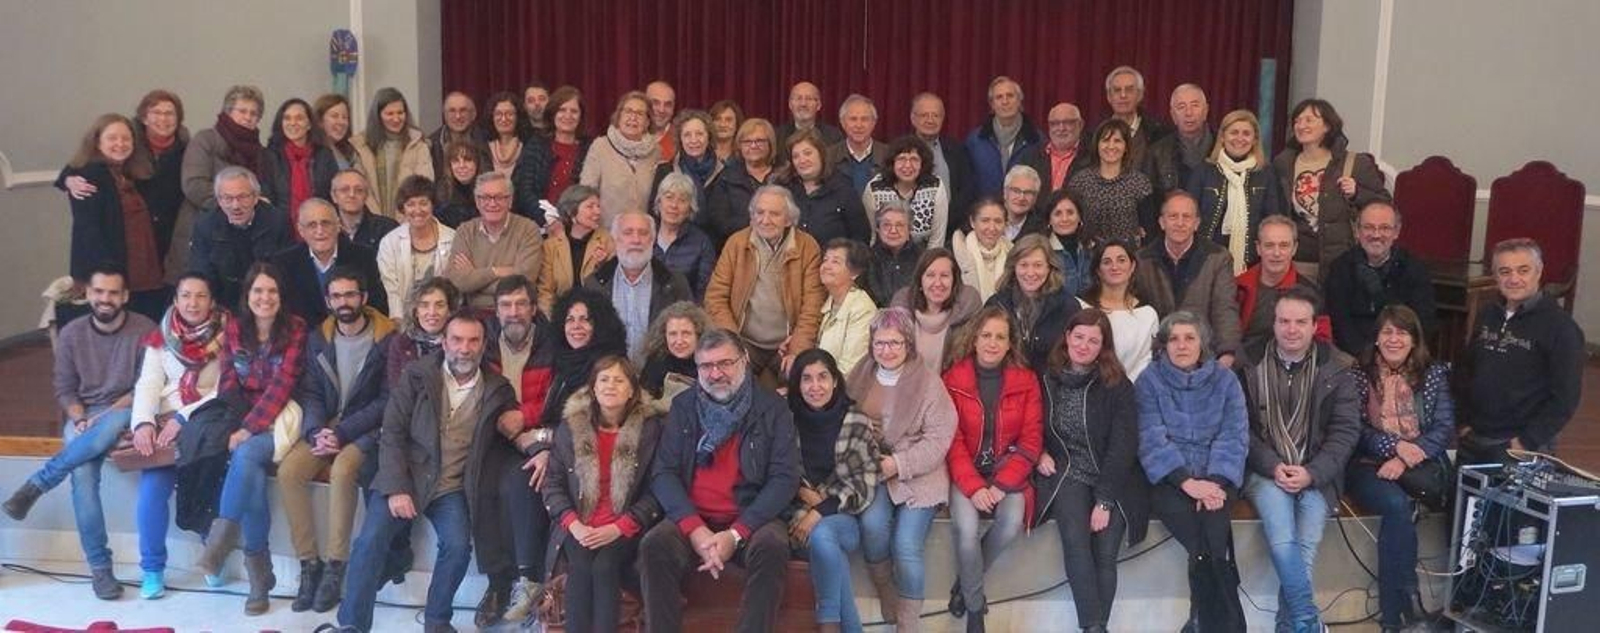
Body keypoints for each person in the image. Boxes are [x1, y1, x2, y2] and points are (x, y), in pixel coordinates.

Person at [337, 313, 518, 633]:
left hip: (451, 488)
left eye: (473, 341)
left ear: (483, 345)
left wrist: (524, 427)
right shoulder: (417, 375)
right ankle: (352, 625)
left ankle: (437, 621)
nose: (465, 349)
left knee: (459, 546)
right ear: (444, 342)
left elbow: (512, 425)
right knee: (369, 541)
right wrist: (396, 488)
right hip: (405, 477)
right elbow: (391, 432)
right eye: (457, 340)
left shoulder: (498, 388)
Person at [2, 266, 157, 600]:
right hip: (85, 417)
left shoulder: (145, 329)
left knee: (114, 422)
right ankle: (101, 570)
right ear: (87, 295)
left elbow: (147, 387)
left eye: (113, 292)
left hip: (126, 412)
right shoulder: (72, 333)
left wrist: (102, 416)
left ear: (125, 297)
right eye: (99, 292)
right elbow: (65, 389)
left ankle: (38, 484)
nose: (105, 299)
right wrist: (79, 416)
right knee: (83, 475)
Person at [638, 328, 802, 633]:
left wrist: (736, 534)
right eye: (706, 366)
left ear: (744, 361)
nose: (715, 374)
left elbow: (785, 477)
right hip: (694, 516)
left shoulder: (772, 408)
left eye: (725, 363)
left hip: (750, 516)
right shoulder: (684, 406)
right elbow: (664, 473)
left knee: (773, 546)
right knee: (654, 545)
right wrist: (695, 529)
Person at [1238, 287, 1360, 633]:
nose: (1291, 329)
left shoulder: (1339, 368)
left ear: (1314, 326)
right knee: (1283, 540)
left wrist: (1311, 473)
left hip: (1318, 473)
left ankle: (1288, 627)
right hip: (1265, 471)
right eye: (1284, 321)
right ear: (1273, 323)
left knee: (1303, 548)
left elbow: (1345, 433)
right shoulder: (1249, 362)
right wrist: (1273, 466)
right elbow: (1240, 429)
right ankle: (1307, 622)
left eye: (1300, 322)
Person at [276, 268, 393, 613]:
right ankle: (308, 564)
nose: (344, 302)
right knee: (289, 472)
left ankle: (335, 565)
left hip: (366, 430)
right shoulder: (319, 339)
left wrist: (342, 434)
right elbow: (311, 391)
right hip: (325, 426)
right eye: (337, 296)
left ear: (364, 298)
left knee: (343, 471)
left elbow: (386, 400)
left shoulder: (387, 339)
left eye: (351, 295)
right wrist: (315, 431)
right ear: (328, 301)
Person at [194, 263, 308, 616]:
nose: (265, 298)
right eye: (258, 291)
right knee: (252, 475)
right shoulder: (233, 329)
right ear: (248, 295)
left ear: (281, 296)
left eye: (272, 291)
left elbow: (281, 386)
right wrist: (238, 424)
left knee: (244, 454)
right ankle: (260, 580)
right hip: (245, 419)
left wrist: (248, 429)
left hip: (283, 420)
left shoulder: (297, 329)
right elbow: (229, 382)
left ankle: (221, 541)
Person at [846, 308, 959, 632]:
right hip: (871, 469)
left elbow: (939, 439)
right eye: (880, 343)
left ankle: (909, 622)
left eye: (895, 343)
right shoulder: (861, 374)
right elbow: (843, 417)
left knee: (907, 546)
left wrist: (899, 464)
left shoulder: (928, 382)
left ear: (908, 344)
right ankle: (885, 586)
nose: (887, 350)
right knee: (872, 525)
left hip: (918, 474)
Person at [1344, 305, 1456, 633]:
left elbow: (1443, 426)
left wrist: (1406, 456)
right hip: (1366, 465)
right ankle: (1403, 609)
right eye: (1387, 332)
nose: (1394, 339)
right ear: (1377, 338)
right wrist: (1392, 447)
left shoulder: (1432, 373)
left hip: (1417, 463)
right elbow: (1356, 429)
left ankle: (1402, 613)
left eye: (1402, 332)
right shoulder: (1358, 373)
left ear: (1414, 339)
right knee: (1396, 506)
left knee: (1420, 503)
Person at [1033, 308, 1145, 633]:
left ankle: (1096, 627)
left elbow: (1123, 446)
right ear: (1067, 337)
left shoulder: (1117, 384)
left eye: (1093, 341)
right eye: (1078, 337)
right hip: (1068, 471)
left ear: (1103, 346)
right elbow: (1030, 425)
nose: (1084, 345)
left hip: (1113, 477)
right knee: (1075, 540)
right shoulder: (1046, 378)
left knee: (1105, 551)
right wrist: (1038, 452)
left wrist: (1105, 501)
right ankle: (1093, 628)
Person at [1136, 311, 1248, 632]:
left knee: (1212, 540)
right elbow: (1150, 438)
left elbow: (1234, 435)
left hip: (1218, 479)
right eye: (1173, 339)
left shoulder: (1225, 380)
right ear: (1163, 345)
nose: (1181, 345)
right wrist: (1187, 482)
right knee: (1205, 545)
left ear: (1203, 344)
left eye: (1189, 338)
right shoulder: (1149, 380)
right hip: (1170, 480)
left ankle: (1201, 622)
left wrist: (1213, 483)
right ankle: (1227, 624)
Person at [543, 356, 668, 633]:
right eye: (604, 379)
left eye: (619, 380)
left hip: (625, 525)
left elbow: (659, 488)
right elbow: (552, 485)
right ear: (593, 388)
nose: (611, 386)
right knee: (580, 565)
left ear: (632, 391)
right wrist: (574, 525)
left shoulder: (651, 430)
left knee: (605, 566)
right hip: (579, 525)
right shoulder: (570, 428)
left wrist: (620, 527)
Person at [126, 273, 227, 600]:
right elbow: (149, 383)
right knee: (152, 490)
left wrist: (186, 417)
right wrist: (143, 422)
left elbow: (226, 388)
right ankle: (152, 568)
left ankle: (210, 559)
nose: (193, 303)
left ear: (212, 301)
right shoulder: (162, 336)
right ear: (176, 300)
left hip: (209, 420)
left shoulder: (230, 334)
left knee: (206, 480)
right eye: (186, 296)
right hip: (165, 421)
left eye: (200, 296)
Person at [941, 307, 1043, 633]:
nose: (992, 343)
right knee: (967, 533)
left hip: (1006, 472)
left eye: (1001, 337)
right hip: (966, 472)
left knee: (1011, 523)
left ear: (1011, 344)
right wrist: (974, 487)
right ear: (973, 339)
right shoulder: (953, 379)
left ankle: (964, 583)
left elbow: (1031, 440)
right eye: (986, 335)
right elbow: (952, 442)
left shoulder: (1026, 381)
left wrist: (1000, 484)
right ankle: (975, 610)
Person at [1459, 238, 1586, 463]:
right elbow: (1466, 369)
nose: (1514, 279)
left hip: (1520, 446)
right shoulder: (1487, 314)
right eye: (1505, 271)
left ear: (1539, 272)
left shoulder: (1562, 328)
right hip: (1475, 437)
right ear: (1495, 276)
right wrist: (1464, 423)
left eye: (1523, 270)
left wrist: (1526, 441)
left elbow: (1565, 397)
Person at [784, 348, 880, 633]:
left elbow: (866, 481)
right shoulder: (784, 421)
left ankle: (828, 623)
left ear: (836, 380)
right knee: (826, 547)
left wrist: (821, 510)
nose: (815, 387)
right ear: (797, 385)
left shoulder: (856, 421)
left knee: (824, 532)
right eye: (807, 379)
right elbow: (776, 472)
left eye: (823, 377)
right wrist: (803, 495)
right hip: (796, 516)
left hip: (844, 518)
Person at [703, 185, 825, 388]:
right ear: (751, 216)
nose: (765, 220)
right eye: (759, 213)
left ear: (788, 219)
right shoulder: (736, 244)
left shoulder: (807, 247)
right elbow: (715, 298)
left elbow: (812, 306)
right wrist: (734, 345)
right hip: (745, 341)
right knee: (731, 384)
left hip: (788, 343)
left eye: (774, 214)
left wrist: (797, 348)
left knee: (799, 383)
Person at [59, 91, 191, 274]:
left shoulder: (187, 149)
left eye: (169, 113)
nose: (163, 119)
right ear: (144, 117)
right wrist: (67, 180)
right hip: (118, 257)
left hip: (165, 241)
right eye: (156, 112)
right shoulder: (127, 143)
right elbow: (79, 165)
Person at [60, 113, 167, 321]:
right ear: (97, 141)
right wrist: (108, 275)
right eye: (112, 138)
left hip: (143, 273)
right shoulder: (88, 175)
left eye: (126, 138)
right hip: (111, 272)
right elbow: (89, 232)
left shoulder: (129, 173)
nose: (120, 143)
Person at [1273, 98, 1391, 279]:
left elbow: (1385, 204)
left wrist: (1357, 193)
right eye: (1297, 121)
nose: (1301, 125)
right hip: (1300, 260)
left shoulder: (1355, 163)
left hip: (1341, 261)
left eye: (1309, 120)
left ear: (1327, 126)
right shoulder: (1283, 163)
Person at [1134, 192, 1242, 365]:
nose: (1180, 223)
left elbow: (1224, 308)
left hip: (1203, 354)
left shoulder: (1217, 258)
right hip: (1156, 355)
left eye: (1187, 217)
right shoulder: (1141, 260)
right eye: (1173, 216)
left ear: (1197, 223)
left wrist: (1226, 353)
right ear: (1162, 223)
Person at [1324, 201, 1438, 356]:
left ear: (1396, 232)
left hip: (1401, 354)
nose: (1376, 235)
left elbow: (1423, 323)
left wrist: (1394, 355)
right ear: (1357, 231)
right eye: (1368, 227)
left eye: (1384, 228)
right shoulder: (1340, 268)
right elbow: (1340, 323)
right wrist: (1366, 356)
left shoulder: (1415, 269)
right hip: (1352, 356)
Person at [177, 85, 266, 274]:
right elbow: (194, 185)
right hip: (203, 227)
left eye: (254, 113)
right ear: (228, 112)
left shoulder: (260, 151)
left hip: (247, 233)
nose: (248, 117)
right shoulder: (205, 140)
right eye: (242, 111)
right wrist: (235, 203)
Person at [582, 211, 693, 361]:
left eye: (643, 233)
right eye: (628, 233)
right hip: (609, 379)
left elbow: (689, 335)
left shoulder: (674, 283)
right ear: (615, 239)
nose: (636, 240)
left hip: (659, 378)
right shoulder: (594, 284)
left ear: (653, 240)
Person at [1186, 109, 1284, 273]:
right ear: (1222, 137)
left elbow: (1274, 216)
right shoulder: (1204, 171)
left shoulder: (1265, 173)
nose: (1239, 138)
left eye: (1246, 133)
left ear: (1254, 140)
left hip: (1252, 259)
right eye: (1234, 132)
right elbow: (1189, 213)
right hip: (1206, 256)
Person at [188, 166, 293, 308]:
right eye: (228, 198)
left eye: (242, 197)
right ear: (218, 200)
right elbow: (202, 274)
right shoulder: (205, 226)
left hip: (266, 301)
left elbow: (285, 272)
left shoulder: (277, 221)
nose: (235, 206)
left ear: (256, 197)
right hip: (224, 302)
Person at [270, 198, 386, 326]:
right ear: (301, 231)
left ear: (338, 225)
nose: (320, 231)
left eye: (326, 223)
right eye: (312, 225)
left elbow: (376, 305)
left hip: (354, 335)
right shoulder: (283, 263)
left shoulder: (363, 256)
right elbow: (283, 312)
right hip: (303, 339)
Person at [444, 172, 544, 311]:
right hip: (473, 313)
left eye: (499, 197)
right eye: (485, 197)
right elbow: (456, 281)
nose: (492, 203)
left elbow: (523, 281)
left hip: (513, 313)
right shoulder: (465, 231)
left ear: (510, 201)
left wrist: (474, 279)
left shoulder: (528, 230)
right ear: (477, 202)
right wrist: (496, 272)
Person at [1235, 215, 1330, 351]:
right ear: (1258, 248)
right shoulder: (1236, 286)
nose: (1277, 253)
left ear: (1295, 248)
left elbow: (1323, 343)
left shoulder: (1311, 293)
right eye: (1269, 245)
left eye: (1284, 245)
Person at [986, 234, 1081, 368]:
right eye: (1024, 265)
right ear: (1014, 267)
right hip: (1007, 385)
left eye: (1038, 265)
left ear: (1049, 267)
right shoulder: (996, 304)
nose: (1030, 273)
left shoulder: (1068, 306)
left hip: (1051, 385)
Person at [890, 248, 983, 375]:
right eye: (930, 275)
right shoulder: (903, 312)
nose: (938, 283)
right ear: (920, 281)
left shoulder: (966, 314)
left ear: (954, 281)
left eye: (944, 276)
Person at [1078, 240, 1161, 380]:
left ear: (1132, 266)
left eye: (1121, 260)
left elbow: (1149, 360)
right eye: (1107, 262)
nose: (1114, 267)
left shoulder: (1147, 313)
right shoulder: (1081, 306)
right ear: (1098, 270)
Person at [376, 175, 456, 319]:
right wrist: (399, 323)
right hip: (405, 318)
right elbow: (391, 290)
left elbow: (455, 287)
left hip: (445, 317)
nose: (417, 210)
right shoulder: (389, 242)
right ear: (403, 208)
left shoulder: (453, 238)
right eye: (410, 204)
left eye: (423, 203)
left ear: (433, 205)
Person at [580, 91, 662, 227]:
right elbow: (586, 193)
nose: (633, 117)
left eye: (639, 113)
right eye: (628, 111)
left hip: (642, 235)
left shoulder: (657, 152)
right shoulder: (600, 147)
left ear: (648, 122)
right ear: (618, 117)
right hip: (606, 234)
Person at [1067, 119, 1153, 246]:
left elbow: (1148, 228)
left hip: (1128, 256)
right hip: (1089, 256)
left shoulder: (1139, 182)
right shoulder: (1080, 181)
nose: (1111, 146)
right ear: (1097, 145)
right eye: (1105, 140)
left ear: (1126, 147)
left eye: (1117, 141)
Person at [352, 87, 435, 218]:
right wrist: (377, 220)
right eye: (389, 114)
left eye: (400, 113)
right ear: (378, 115)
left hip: (409, 219)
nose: (396, 119)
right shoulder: (362, 146)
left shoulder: (419, 145)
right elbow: (361, 187)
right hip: (373, 220)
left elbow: (423, 187)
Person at [781, 127, 870, 245]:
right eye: (796, 156)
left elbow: (861, 237)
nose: (802, 160)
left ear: (821, 154)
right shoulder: (784, 190)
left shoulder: (843, 188)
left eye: (807, 153)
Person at [537, 185, 614, 315]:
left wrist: (601, 265)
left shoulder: (607, 241)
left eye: (598, 206)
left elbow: (610, 289)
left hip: (596, 316)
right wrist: (553, 322)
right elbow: (545, 293)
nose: (597, 212)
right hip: (560, 316)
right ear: (571, 211)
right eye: (590, 207)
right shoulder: (551, 246)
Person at [261, 98, 338, 227]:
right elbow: (267, 196)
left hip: (319, 227)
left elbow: (332, 194)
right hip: (281, 229)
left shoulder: (324, 155)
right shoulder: (269, 156)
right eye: (287, 118)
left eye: (299, 118)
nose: (293, 123)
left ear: (309, 124)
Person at [863, 135, 950, 249]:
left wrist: (927, 265)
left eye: (914, 159)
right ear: (892, 163)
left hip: (924, 257)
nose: (908, 165)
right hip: (884, 256)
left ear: (922, 164)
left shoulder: (935, 186)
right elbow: (872, 235)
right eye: (901, 159)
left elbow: (937, 239)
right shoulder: (875, 188)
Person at [514, 85, 591, 214]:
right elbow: (525, 191)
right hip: (539, 223)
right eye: (562, 110)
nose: (568, 116)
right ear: (553, 113)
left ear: (581, 116)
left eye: (574, 111)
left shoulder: (589, 148)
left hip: (577, 223)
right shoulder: (537, 144)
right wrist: (548, 219)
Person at [703, 118, 779, 245]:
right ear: (740, 146)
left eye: (759, 141)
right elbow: (718, 221)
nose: (753, 145)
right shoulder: (726, 178)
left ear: (770, 144)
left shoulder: (784, 177)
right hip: (739, 247)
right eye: (747, 141)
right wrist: (752, 224)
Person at [909, 92, 976, 238]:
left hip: (950, 231)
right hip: (909, 233)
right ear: (913, 119)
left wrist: (948, 221)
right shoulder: (901, 150)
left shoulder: (957, 150)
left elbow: (966, 190)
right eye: (924, 115)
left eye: (935, 115)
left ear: (942, 118)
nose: (930, 120)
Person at [965, 76, 1042, 198]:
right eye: (999, 97)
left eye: (1010, 96)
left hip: (1025, 212)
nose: (1005, 101)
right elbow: (967, 182)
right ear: (992, 104)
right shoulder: (975, 140)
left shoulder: (1037, 140)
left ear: (1019, 100)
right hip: (986, 213)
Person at [817, 238, 879, 375]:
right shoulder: (827, 301)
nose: (826, 266)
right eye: (825, 260)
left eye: (835, 262)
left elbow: (850, 369)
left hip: (841, 389)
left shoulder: (863, 309)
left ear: (854, 273)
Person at [652, 172, 718, 300]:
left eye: (682, 200)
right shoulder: (644, 235)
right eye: (669, 197)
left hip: (684, 315)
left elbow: (704, 294)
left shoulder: (701, 243)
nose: (674, 205)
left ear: (690, 208)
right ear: (659, 202)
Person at [1146, 84, 1214, 204]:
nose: (1188, 113)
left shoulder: (1222, 146)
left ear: (1206, 111)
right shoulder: (1157, 152)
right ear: (1173, 115)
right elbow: (1150, 202)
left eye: (1195, 105)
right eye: (1181, 107)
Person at [1098, 66, 1173, 170]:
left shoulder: (1159, 134)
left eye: (1129, 90)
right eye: (1117, 90)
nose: (1123, 95)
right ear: (1109, 97)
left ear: (1140, 95)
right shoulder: (1094, 134)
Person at [648, 110, 723, 211]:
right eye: (687, 135)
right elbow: (654, 211)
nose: (693, 140)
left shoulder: (724, 172)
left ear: (709, 137)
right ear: (680, 139)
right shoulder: (665, 171)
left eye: (699, 134)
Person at [1015, 102, 1092, 198]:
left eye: (1068, 122)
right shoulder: (1030, 157)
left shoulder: (1093, 157)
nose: (1061, 128)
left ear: (1080, 125)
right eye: (1055, 123)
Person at [640, 301, 710, 402]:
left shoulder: (710, 362)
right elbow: (644, 401)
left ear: (698, 335)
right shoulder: (656, 362)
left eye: (686, 333)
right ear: (664, 336)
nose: (679, 341)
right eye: (673, 334)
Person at [952, 197, 1013, 302]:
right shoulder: (955, 254)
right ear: (972, 222)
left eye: (998, 221)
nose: (992, 228)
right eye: (985, 221)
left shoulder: (1014, 256)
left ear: (1005, 225)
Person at [867, 201, 926, 305]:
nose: (893, 230)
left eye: (900, 225)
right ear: (878, 229)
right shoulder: (867, 258)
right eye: (886, 225)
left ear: (909, 230)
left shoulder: (923, 258)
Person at [1040, 189, 1095, 298]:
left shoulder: (1094, 247)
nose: (1064, 219)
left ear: (1080, 216)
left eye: (1070, 212)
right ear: (1049, 220)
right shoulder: (1041, 250)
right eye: (1057, 214)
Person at [329, 169, 400, 252]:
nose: (352, 195)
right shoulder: (323, 230)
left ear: (366, 196)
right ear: (334, 196)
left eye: (359, 190)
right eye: (345, 190)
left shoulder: (387, 228)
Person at [833, 94, 888, 195]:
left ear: (874, 123)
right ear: (842, 122)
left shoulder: (889, 155)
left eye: (865, 119)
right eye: (853, 119)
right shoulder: (829, 157)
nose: (859, 125)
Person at [426, 92, 488, 176]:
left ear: (473, 114)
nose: (458, 116)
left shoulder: (487, 139)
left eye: (463, 110)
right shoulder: (431, 144)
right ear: (444, 115)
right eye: (452, 111)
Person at [436, 140, 487, 229]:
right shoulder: (441, 193)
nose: (462, 165)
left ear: (477, 163)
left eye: (468, 160)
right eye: (456, 161)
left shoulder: (489, 190)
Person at [776, 81, 844, 146]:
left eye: (809, 99)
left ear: (818, 105)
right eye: (798, 98)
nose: (803, 104)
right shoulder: (777, 136)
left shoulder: (833, 136)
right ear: (790, 105)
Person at [484, 91, 528, 178]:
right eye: (498, 114)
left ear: (518, 117)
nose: (504, 119)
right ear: (491, 117)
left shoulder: (528, 146)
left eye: (510, 114)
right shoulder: (483, 147)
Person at [314, 93, 360, 170]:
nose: (341, 122)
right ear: (320, 121)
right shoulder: (313, 153)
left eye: (345, 117)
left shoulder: (347, 151)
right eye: (334, 116)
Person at [999, 165, 1044, 241]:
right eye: (1016, 191)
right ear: (1005, 192)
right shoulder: (987, 217)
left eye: (1028, 192)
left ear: (1036, 197)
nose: (1021, 198)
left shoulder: (1042, 229)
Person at [646, 80, 678, 160]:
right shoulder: (630, 135)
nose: (661, 110)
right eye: (655, 103)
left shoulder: (681, 140)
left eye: (668, 104)